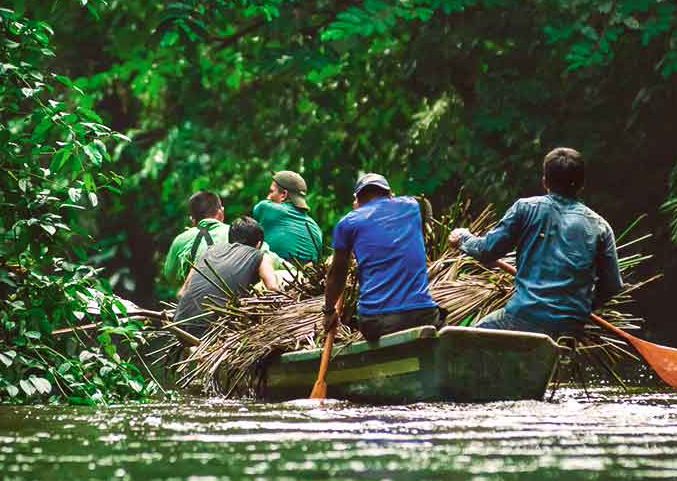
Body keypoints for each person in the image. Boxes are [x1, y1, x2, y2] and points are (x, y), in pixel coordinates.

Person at [448, 147, 621, 339]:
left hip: (523, 317)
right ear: (582, 185)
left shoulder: (526, 208)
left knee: (464, 340)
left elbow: (487, 250)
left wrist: (463, 237)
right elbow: (612, 285)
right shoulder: (600, 226)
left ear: (545, 181)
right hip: (571, 329)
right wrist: (579, 308)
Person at [323, 172, 440, 343]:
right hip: (422, 314)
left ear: (357, 200)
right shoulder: (412, 206)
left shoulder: (348, 222)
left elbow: (337, 274)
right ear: (390, 194)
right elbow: (423, 204)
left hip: (376, 321)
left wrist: (328, 311)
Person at [174, 216, 281, 338]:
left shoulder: (208, 251)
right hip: (212, 330)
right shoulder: (260, 256)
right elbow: (273, 289)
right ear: (258, 244)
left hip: (180, 325)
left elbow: (181, 293)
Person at [162, 190, 229, 290]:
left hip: (196, 300)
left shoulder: (182, 239)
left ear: (193, 221)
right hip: (237, 299)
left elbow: (170, 276)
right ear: (221, 212)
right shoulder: (237, 231)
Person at [252, 170, 323, 264]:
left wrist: (269, 201)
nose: (269, 195)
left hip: (278, 273)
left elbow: (257, 210)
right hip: (307, 276)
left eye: (271, 191)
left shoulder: (266, 208)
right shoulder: (316, 227)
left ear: (283, 195)